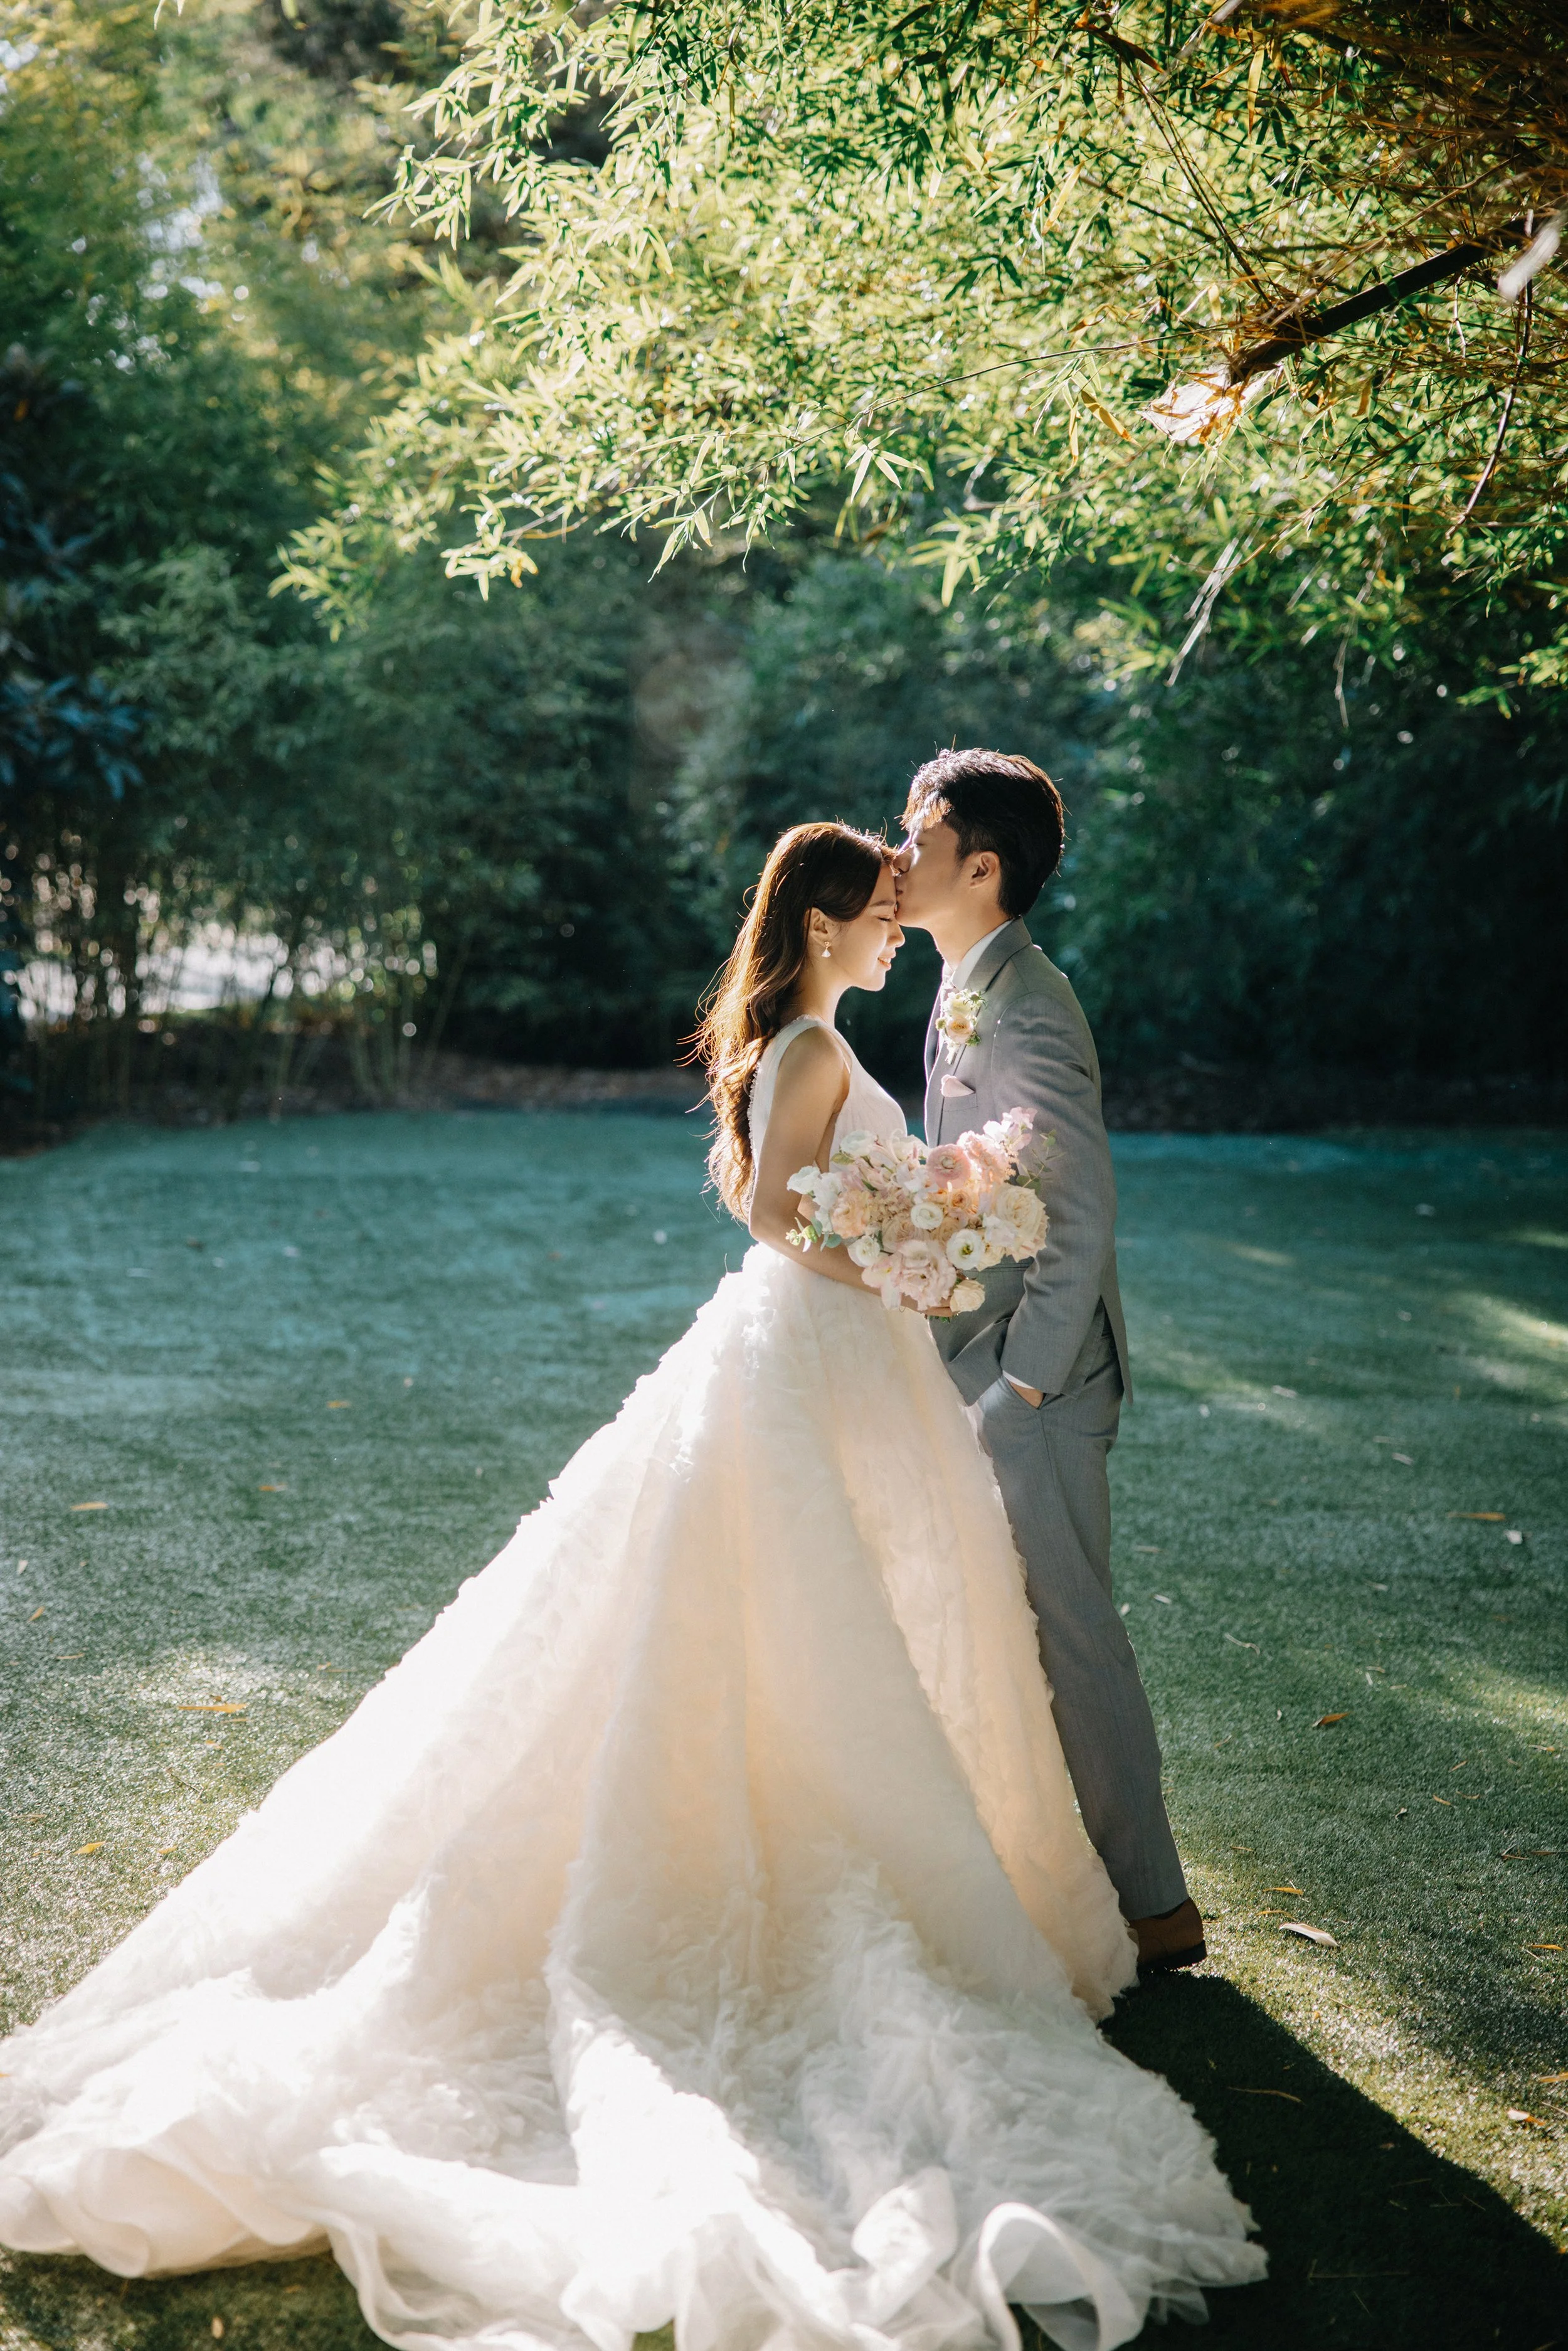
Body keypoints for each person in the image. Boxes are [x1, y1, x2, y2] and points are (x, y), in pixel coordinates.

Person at [0, 822, 1262, 2351]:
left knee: (872, 1609)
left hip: (849, 1369)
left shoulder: (823, 1035)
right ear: (813, 918)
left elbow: (832, 1197)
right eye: (870, 910)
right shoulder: (805, 1045)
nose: (888, 928)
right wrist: (901, 1255)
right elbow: (771, 1210)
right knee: (782, 1613)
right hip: (806, 1356)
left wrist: (927, 1218)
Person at [893, 750, 1204, 1973]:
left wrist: (1021, 1381)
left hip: (1043, 1378)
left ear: (982, 867)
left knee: (1071, 1632)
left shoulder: (1024, 1000)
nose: (895, 855)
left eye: (916, 839)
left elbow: (1076, 1213)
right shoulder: (964, 978)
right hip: (982, 1356)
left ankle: (1154, 1904)